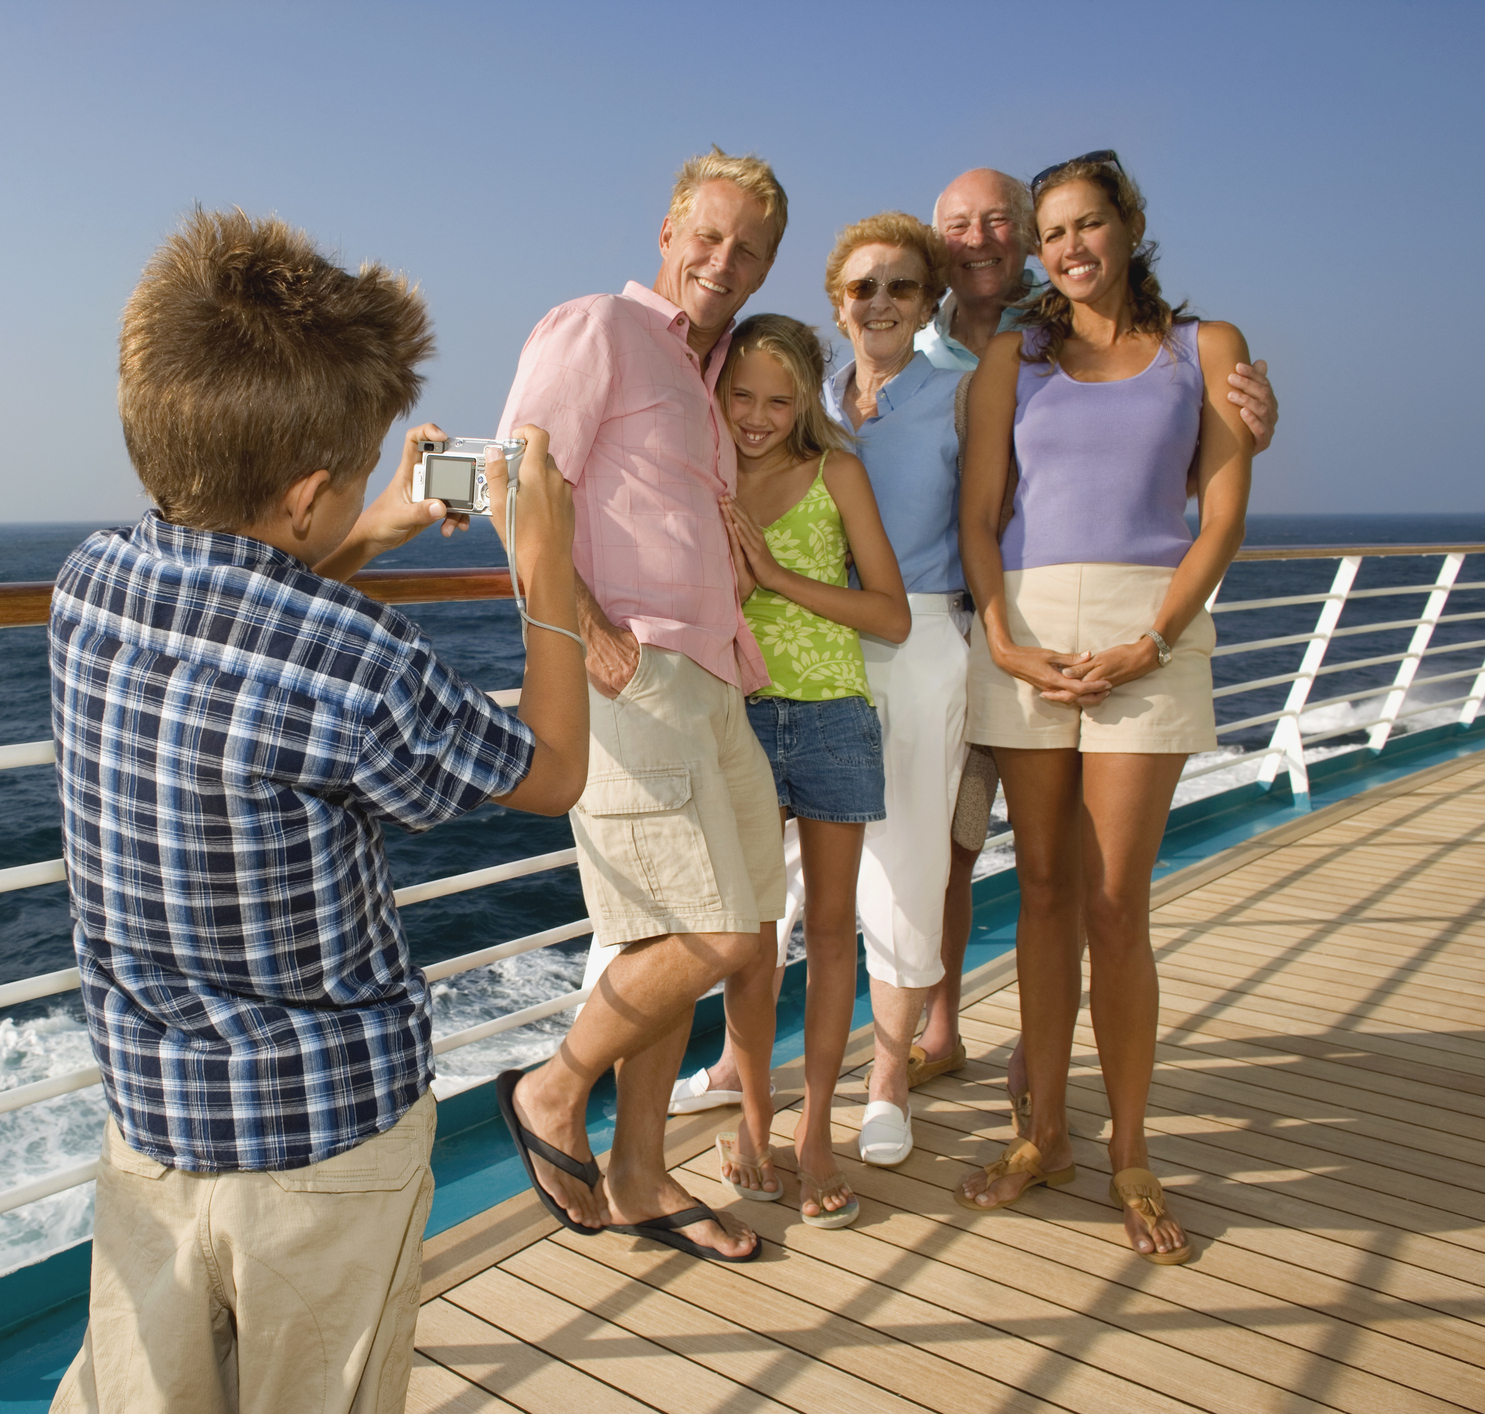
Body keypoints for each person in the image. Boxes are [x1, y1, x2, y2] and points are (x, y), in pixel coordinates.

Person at [47, 208, 588, 1414]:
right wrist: (542, 558)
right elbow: (552, 772)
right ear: (305, 497)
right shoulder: (365, 661)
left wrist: (375, 522)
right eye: (355, 473)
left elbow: (244, 617)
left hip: (155, 1121)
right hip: (327, 1141)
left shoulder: (86, 583)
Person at [954, 152, 1253, 1267]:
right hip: (1027, 634)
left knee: (1116, 902)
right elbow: (983, 517)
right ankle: (1046, 1137)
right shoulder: (1010, 357)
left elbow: (1220, 516)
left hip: (1152, 631)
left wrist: (1152, 640)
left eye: (1089, 224)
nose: (1071, 247)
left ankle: (1131, 1151)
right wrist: (1003, 638)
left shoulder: (1205, 351)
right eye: (1053, 234)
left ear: (1129, 223)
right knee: (1038, 888)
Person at [494, 149, 790, 1265]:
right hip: (636, 675)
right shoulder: (596, 329)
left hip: (714, 677)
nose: (724, 260)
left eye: (749, 247)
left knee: (724, 924)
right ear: (669, 229)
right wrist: (597, 640)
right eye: (708, 235)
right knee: (711, 931)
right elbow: (518, 487)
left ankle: (638, 1173)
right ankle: (551, 1089)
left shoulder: (702, 380)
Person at [713, 313, 909, 1226]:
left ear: (806, 404)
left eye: (778, 400)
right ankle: (752, 1123)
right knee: (751, 941)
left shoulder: (838, 474)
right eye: (740, 395)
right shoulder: (700, 477)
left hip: (832, 719)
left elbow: (891, 616)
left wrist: (775, 576)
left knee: (831, 935)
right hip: (735, 721)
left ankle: (816, 1129)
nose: (756, 416)